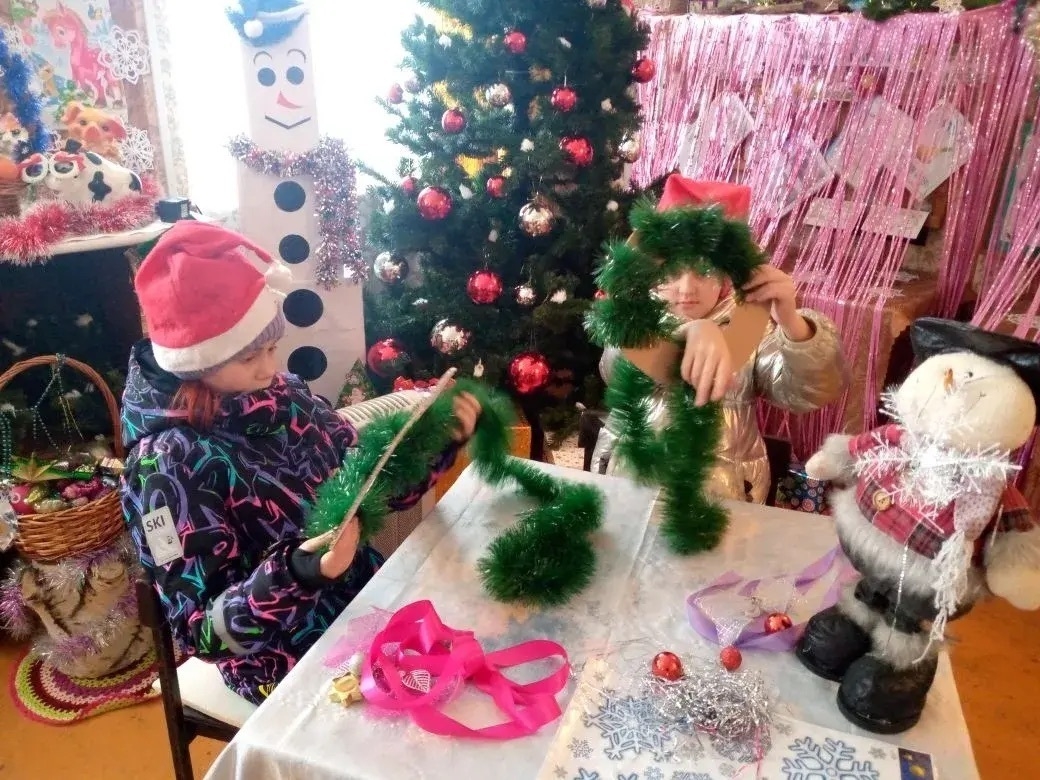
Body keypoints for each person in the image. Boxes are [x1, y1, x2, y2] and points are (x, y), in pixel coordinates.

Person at [120, 222, 481, 704]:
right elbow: (200, 632)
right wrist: (297, 574)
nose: (269, 368)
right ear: (197, 363)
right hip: (279, 660)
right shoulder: (165, 465)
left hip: (364, 605)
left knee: (467, 674)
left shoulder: (285, 398)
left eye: (272, 347)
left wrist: (433, 444)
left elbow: (365, 485)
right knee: (413, 725)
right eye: (249, 357)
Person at [592, 176, 847, 503]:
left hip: (723, 496)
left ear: (725, 275)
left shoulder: (753, 329)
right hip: (630, 485)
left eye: (703, 272)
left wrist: (792, 323)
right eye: (671, 273)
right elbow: (616, 364)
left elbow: (807, 392)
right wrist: (687, 332)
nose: (686, 289)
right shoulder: (632, 318)